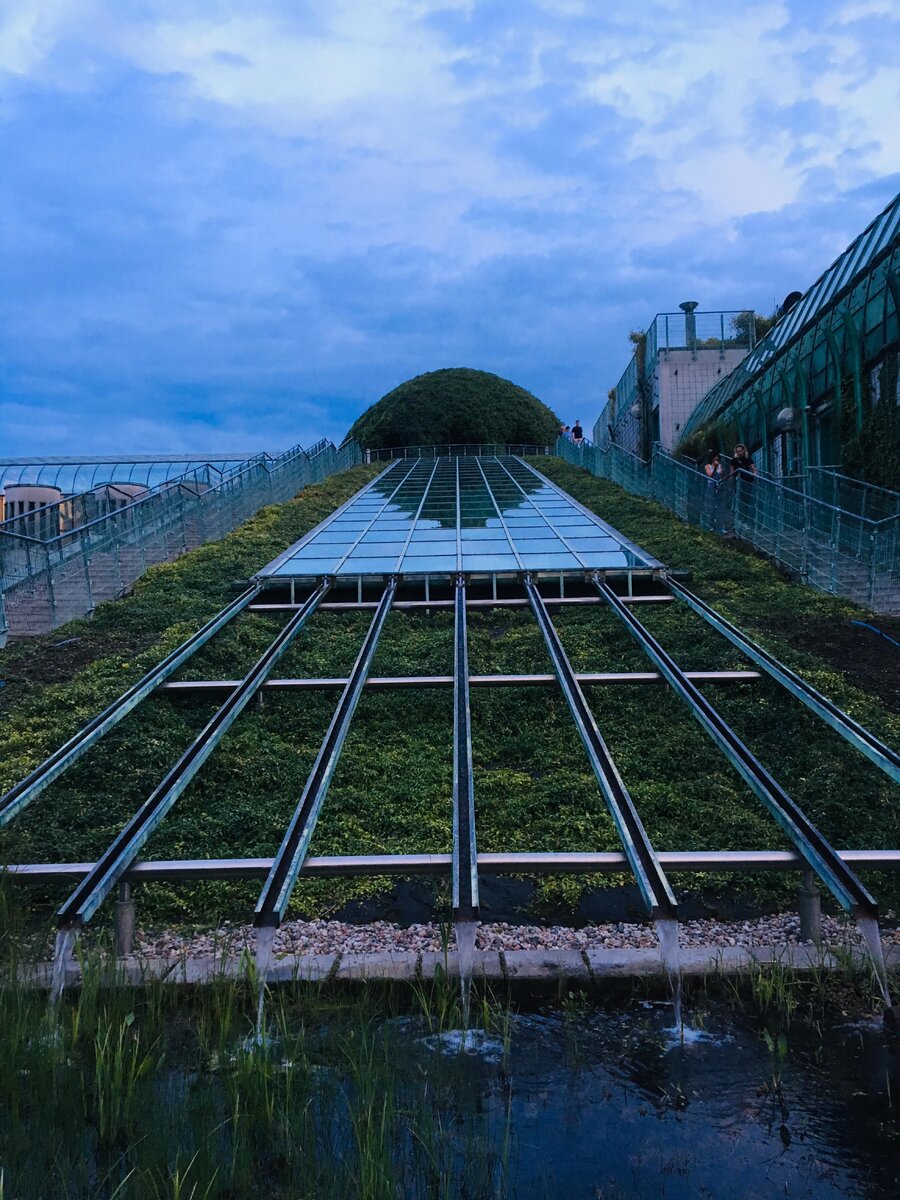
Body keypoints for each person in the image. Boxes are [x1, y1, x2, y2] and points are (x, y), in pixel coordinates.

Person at [704, 451, 726, 533]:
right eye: (714, 456)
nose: (716, 458)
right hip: (711, 487)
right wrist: (715, 468)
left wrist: (720, 469)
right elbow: (710, 475)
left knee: (720, 506)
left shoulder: (719, 465)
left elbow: (722, 474)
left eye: (717, 456)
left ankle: (721, 527)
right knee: (712, 506)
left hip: (719, 486)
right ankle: (711, 525)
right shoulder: (707, 466)